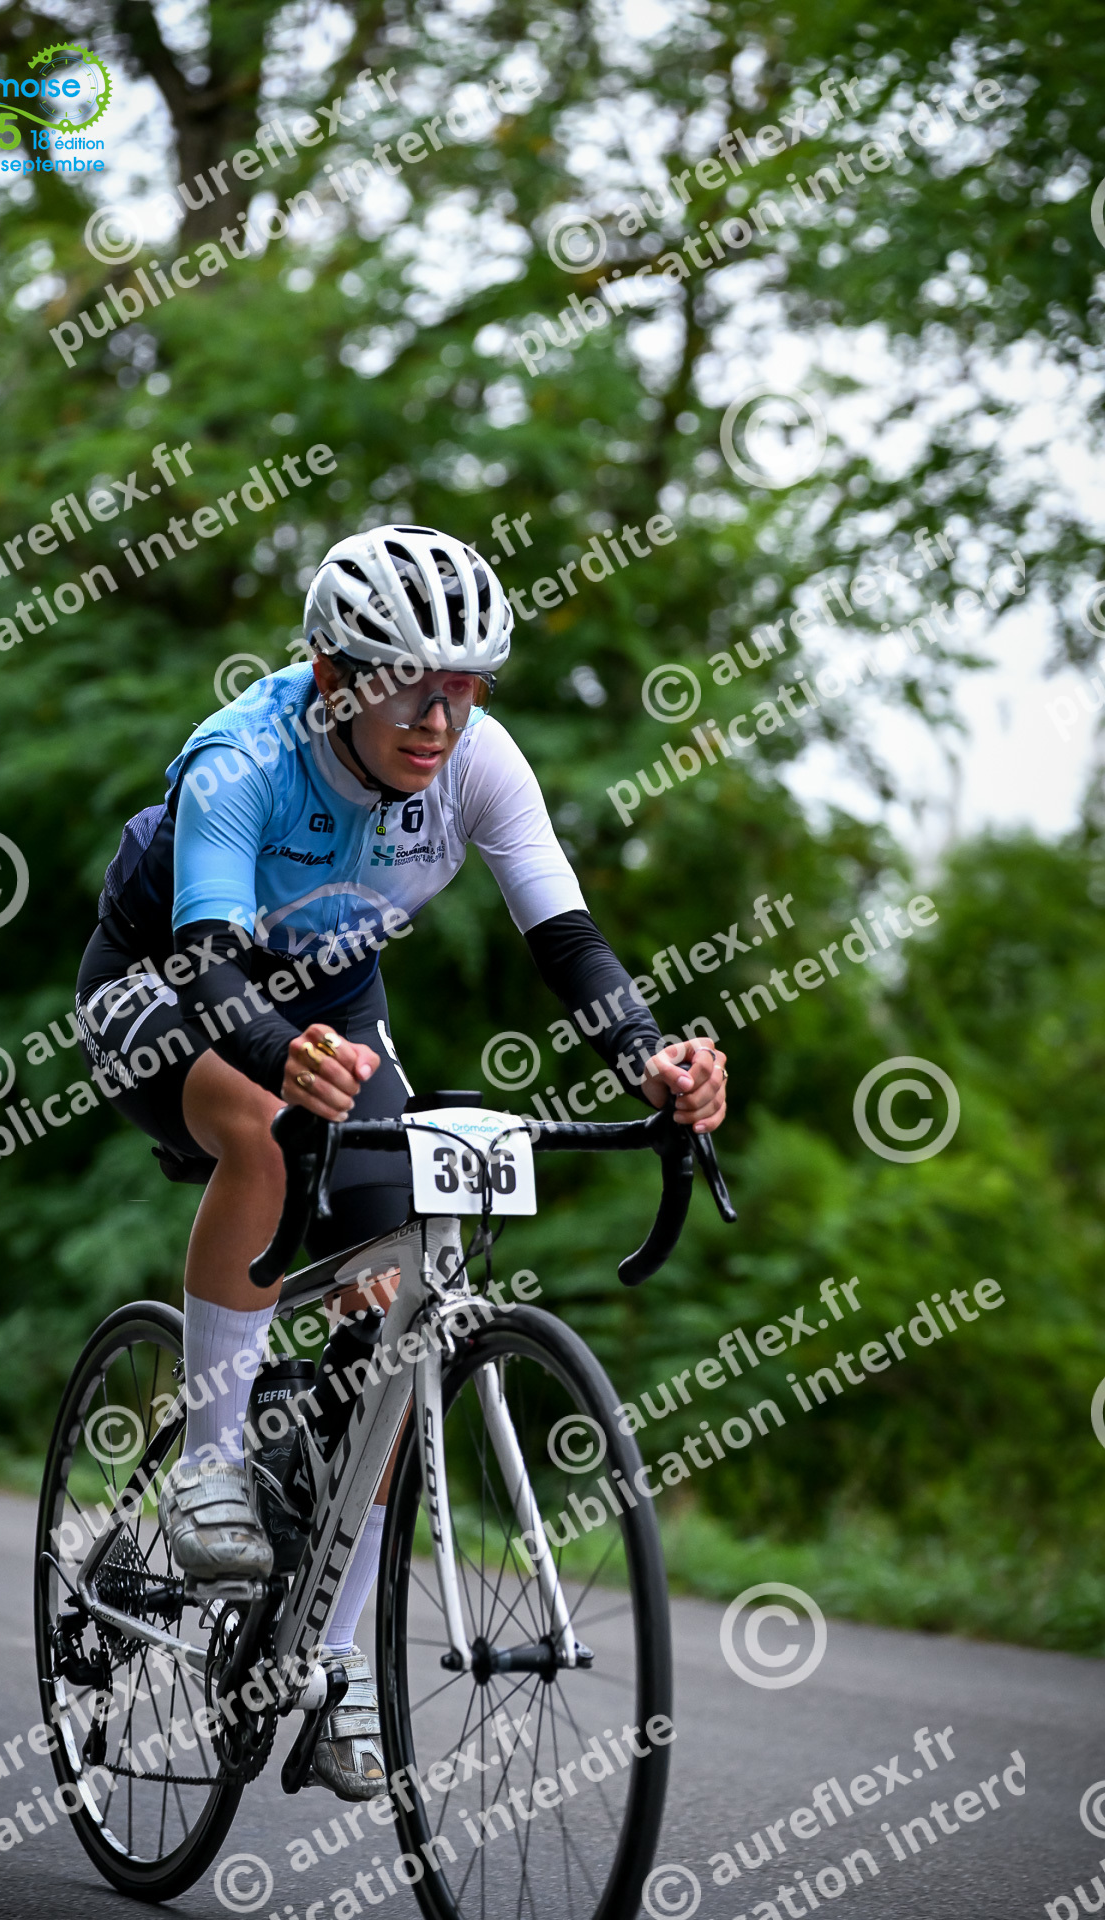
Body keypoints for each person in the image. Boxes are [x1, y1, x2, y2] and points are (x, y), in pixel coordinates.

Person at [75, 522, 727, 1800]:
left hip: (333, 1001)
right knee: (263, 1132)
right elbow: (208, 963)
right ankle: (208, 1467)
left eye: (465, 686)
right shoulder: (241, 758)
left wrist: (649, 1059)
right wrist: (277, 1054)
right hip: (169, 985)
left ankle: (329, 1669)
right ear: (332, 677)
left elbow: (568, 943)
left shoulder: (477, 759)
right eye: (409, 687)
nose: (440, 719)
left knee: (395, 1318)